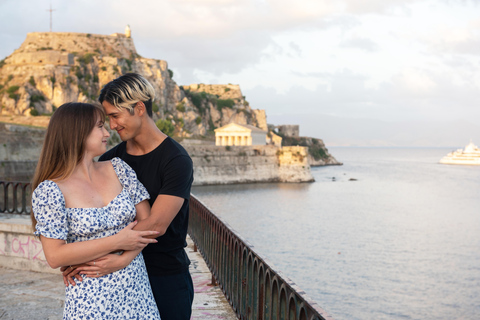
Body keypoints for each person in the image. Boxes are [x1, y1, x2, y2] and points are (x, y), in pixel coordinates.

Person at [64, 73, 195, 320]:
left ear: (139, 108)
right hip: (117, 279)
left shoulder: (176, 160)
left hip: (164, 275)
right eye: (107, 119)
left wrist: (117, 258)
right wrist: (80, 258)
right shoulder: (110, 160)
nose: (112, 126)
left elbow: (157, 224)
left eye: (115, 116)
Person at [31, 102, 161, 319]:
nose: (107, 131)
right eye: (99, 126)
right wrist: (117, 242)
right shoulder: (50, 191)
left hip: (137, 292)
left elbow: (148, 224)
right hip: (90, 301)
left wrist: (125, 258)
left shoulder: (118, 168)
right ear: (78, 133)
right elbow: (55, 256)